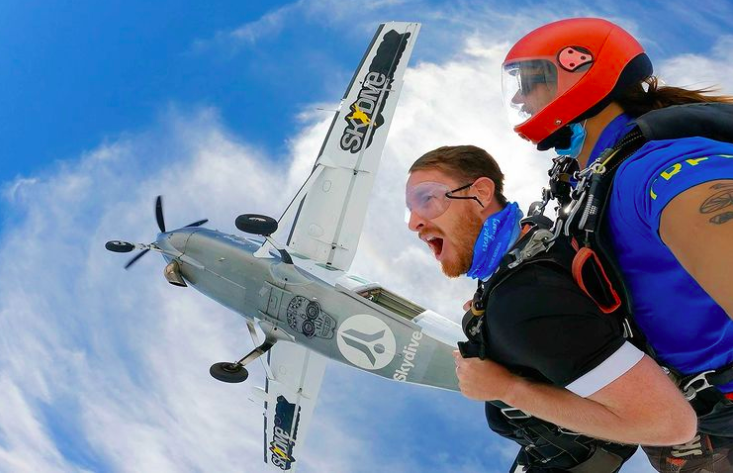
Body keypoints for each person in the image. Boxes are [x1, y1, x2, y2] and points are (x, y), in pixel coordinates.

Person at [500, 17, 733, 472]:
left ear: (579, 71)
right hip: (693, 423)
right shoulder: (595, 186)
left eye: (529, 81)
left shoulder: (661, 166)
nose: (516, 98)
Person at [406, 145, 696, 472]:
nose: (414, 222)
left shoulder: (523, 302)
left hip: (599, 444)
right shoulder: (535, 244)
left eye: (427, 199)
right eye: (411, 211)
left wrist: (506, 388)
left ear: (481, 193)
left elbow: (671, 424)